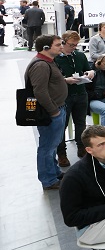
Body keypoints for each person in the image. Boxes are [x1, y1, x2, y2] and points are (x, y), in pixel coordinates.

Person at [25, 35, 68, 189]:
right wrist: (54, 111)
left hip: (56, 109)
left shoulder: (48, 62)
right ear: (46, 48)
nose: (61, 47)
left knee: (52, 145)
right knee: (47, 147)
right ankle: (48, 180)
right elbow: (40, 92)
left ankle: (54, 171)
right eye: (57, 45)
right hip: (50, 113)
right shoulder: (41, 66)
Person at [55, 31, 94, 164]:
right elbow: (52, 80)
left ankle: (81, 148)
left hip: (81, 93)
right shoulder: (55, 58)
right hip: (63, 97)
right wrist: (66, 80)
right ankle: (61, 154)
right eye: (71, 45)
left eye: (76, 45)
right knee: (62, 126)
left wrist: (90, 72)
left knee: (81, 123)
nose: (73, 48)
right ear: (63, 42)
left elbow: (87, 69)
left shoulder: (80, 55)